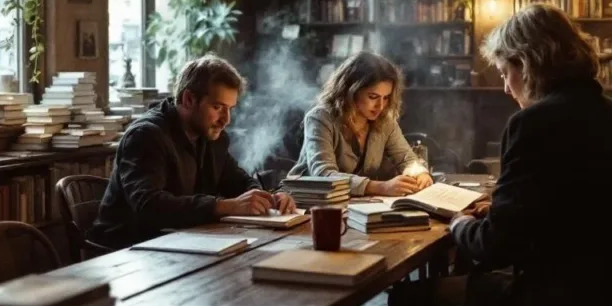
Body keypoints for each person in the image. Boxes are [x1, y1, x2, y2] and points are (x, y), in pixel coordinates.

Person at [378, 4, 612, 306]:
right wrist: (500, 211)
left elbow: (497, 247)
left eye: (504, 73)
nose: (504, 87)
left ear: (527, 64)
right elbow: (569, 209)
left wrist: (459, 222)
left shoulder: (535, 123)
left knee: (412, 300)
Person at [88, 55, 296, 249]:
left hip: (182, 243)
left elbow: (238, 181)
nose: (226, 120)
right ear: (188, 99)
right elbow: (148, 206)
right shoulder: (145, 136)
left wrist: (268, 199)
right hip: (127, 252)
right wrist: (221, 206)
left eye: (230, 109)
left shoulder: (212, 136)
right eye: (217, 107)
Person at [288, 51, 434, 197]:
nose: (380, 106)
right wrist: (380, 187)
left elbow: (407, 158)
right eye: (373, 97)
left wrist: (420, 174)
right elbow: (323, 174)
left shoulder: (384, 121)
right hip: (308, 203)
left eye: (386, 98)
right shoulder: (320, 118)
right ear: (351, 91)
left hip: (354, 205)